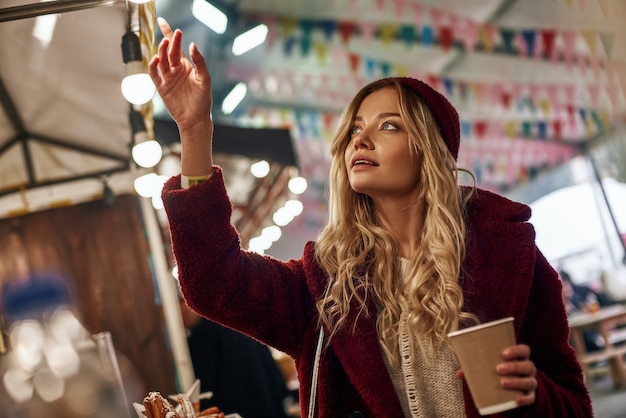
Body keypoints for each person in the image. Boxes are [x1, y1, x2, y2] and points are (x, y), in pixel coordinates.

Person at [150, 17, 592, 417]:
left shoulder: (509, 258)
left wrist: (536, 394)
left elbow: (573, 401)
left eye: (388, 125)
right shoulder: (325, 288)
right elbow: (212, 281)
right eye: (355, 129)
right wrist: (195, 131)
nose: (360, 139)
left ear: (430, 153)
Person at [179, 301, 290, 418]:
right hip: (268, 407)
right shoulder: (236, 318)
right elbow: (276, 378)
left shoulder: (202, 338)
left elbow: (206, 391)